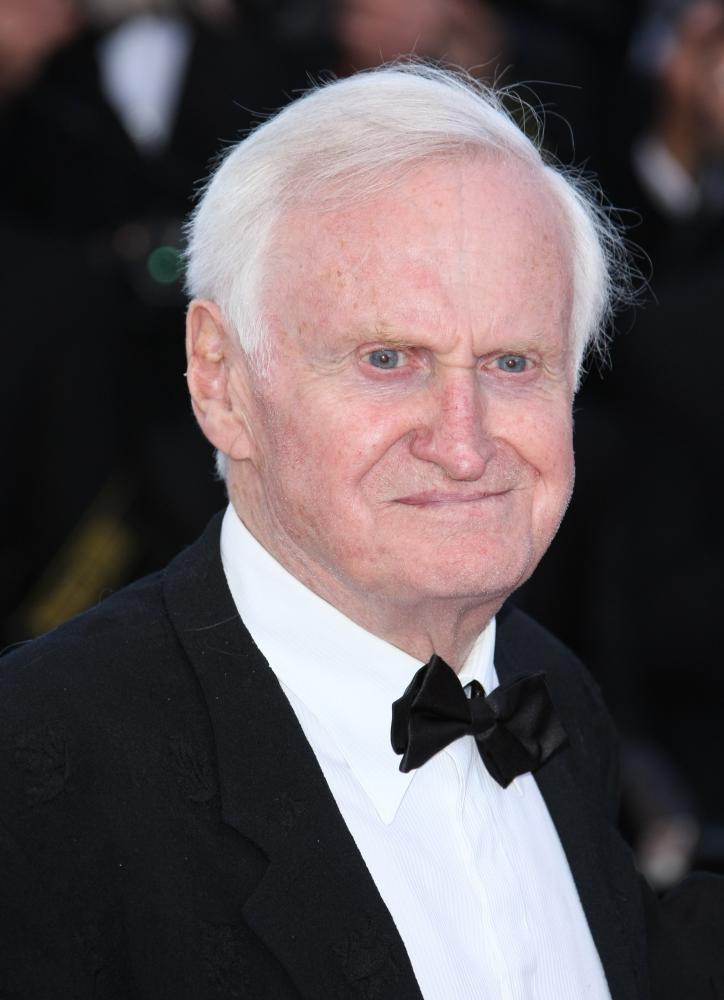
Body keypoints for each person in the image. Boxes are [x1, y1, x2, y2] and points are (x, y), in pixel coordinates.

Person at [0, 64, 720, 1000]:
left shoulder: (558, 698)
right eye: (388, 359)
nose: (463, 443)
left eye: (513, 362)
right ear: (220, 380)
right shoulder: (38, 773)